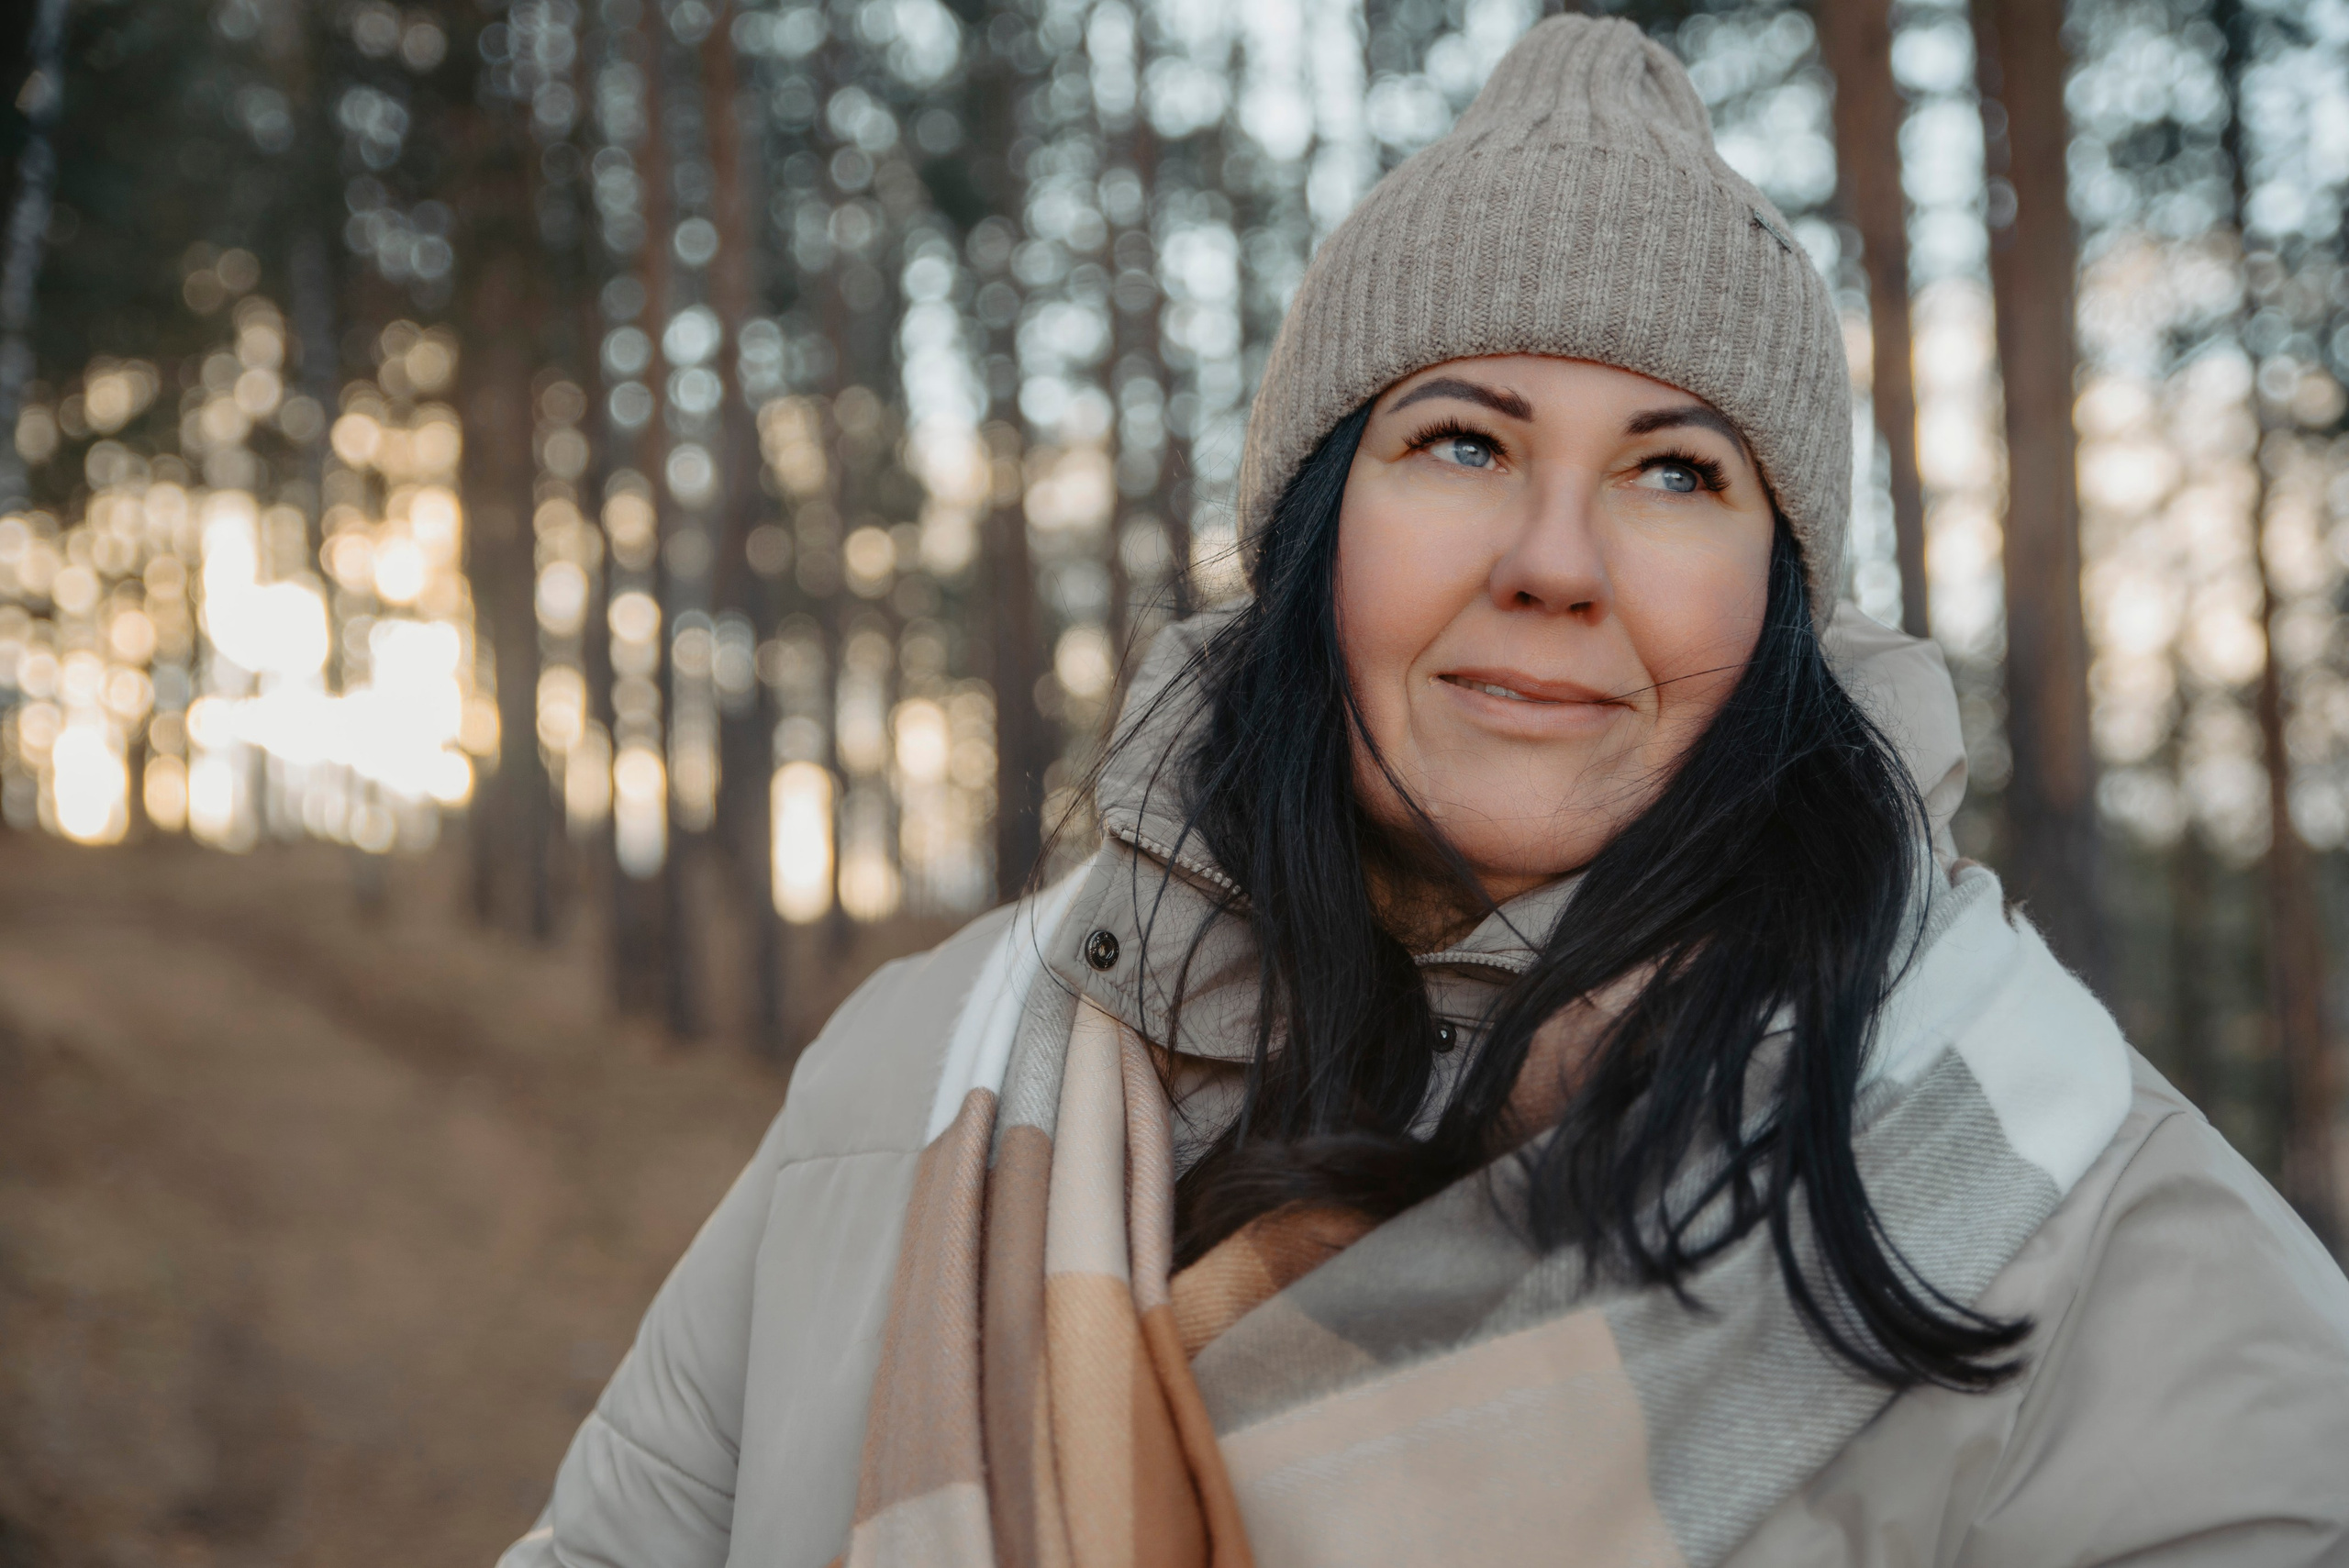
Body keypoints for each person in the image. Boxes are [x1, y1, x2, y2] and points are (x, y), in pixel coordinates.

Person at [501, 17, 2349, 1568]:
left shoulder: (2103, 1238)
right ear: (1315, 539)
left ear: (1777, 603)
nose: (1553, 559)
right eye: (1457, 439)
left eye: (1674, 472)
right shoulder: (911, 1084)